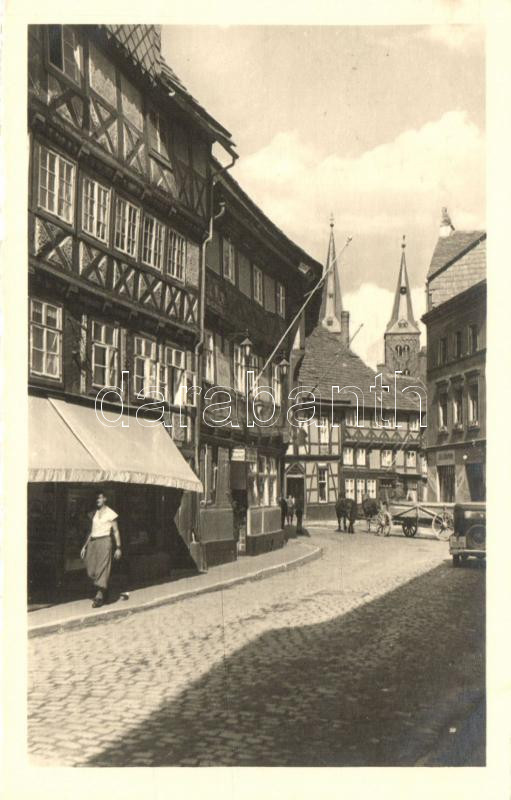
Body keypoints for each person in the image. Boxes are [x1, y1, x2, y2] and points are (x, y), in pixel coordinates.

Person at [81, 492, 122, 608]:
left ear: (105, 499)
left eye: (99, 497)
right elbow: (92, 531)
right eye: (96, 498)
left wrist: (118, 547)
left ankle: (99, 596)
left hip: (105, 541)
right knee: (91, 570)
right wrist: (84, 546)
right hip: (93, 542)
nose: (97, 500)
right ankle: (104, 589)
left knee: (102, 568)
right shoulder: (94, 513)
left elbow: (116, 531)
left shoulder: (111, 513)